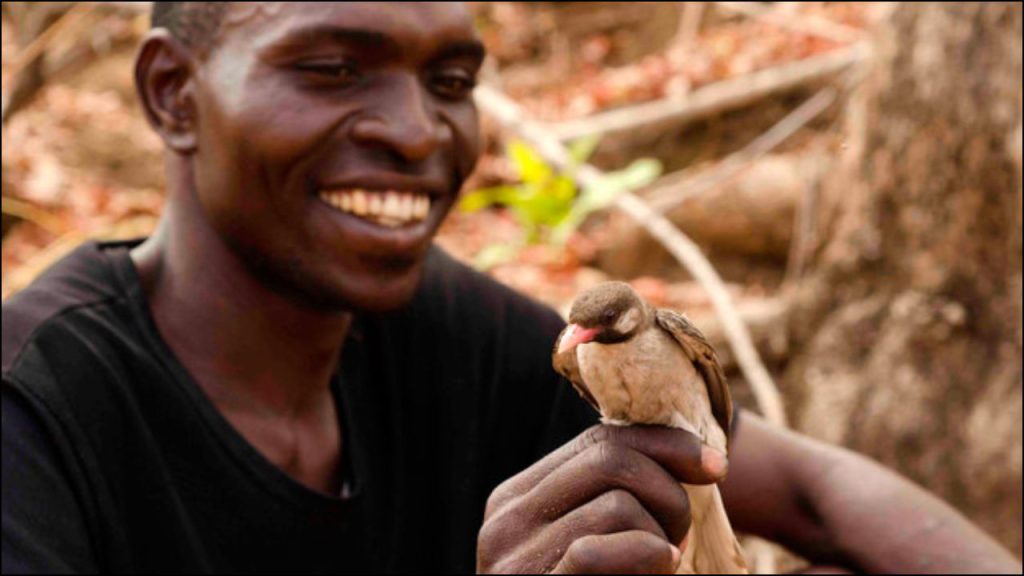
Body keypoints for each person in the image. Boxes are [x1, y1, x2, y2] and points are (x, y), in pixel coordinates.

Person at [2, 3, 1019, 574]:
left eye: (450, 82)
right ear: (173, 94)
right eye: (330, 68)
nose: (416, 131)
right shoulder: (32, 417)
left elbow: (813, 490)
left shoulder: (434, 327)